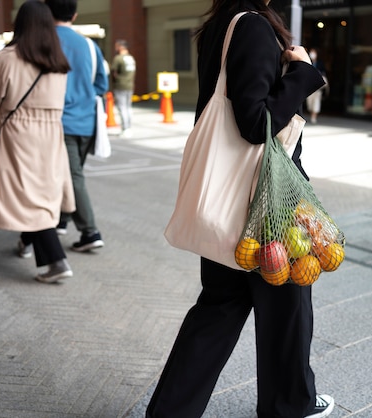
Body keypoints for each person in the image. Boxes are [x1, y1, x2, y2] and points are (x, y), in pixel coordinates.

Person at [146, 1, 333, 417]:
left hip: (229, 196)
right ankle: (291, 404)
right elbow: (255, 123)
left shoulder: (223, 25)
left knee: (220, 307)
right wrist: (302, 73)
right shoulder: (251, 27)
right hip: (265, 198)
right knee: (286, 304)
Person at [0, 0, 75, 284]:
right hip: (52, 134)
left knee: (25, 193)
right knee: (38, 191)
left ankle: (56, 261)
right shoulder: (59, 61)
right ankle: (26, 241)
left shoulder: (7, 58)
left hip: (20, 134)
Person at [45, 0, 108, 252]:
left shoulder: (45, 42)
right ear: (75, 15)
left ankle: (90, 231)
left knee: (72, 177)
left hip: (59, 123)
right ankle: (61, 219)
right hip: (87, 124)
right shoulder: (91, 46)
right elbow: (102, 85)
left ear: (47, 12)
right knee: (71, 175)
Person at [111, 39, 136, 138]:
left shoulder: (118, 58)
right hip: (129, 85)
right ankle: (129, 127)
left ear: (120, 47)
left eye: (117, 46)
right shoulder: (131, 58)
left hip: (120, 85)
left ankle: (125, 128)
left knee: (122, 108)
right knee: (128, 107)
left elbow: (114, 72)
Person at [305, 48, 328, 124]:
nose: (312, 54)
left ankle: (313, 116)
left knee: (316, 102)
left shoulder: (320, 63)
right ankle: (312, 113)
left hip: (318, 86)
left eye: (314, 52)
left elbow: (323, 73)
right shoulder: (308, 61)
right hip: (309, 85)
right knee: (310, 102)